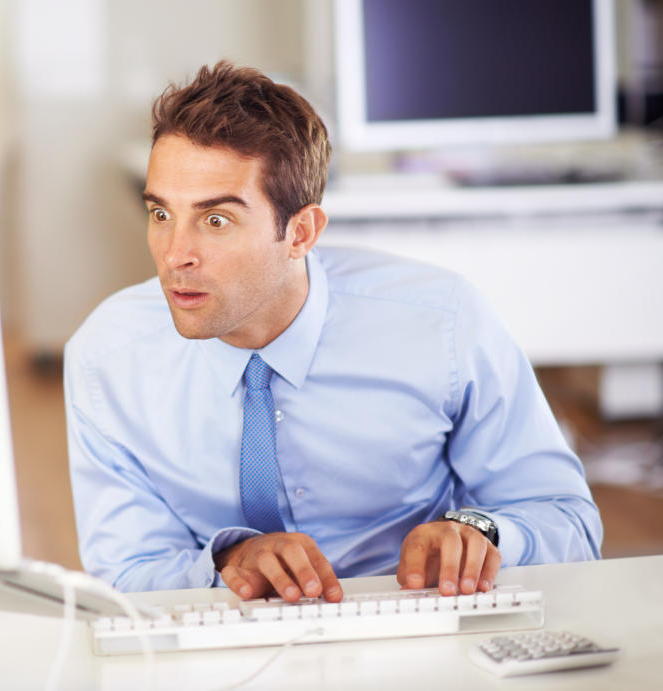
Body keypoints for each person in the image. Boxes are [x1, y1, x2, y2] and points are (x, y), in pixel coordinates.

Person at [63, 61, 602, 603]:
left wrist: (483, 533)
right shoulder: (106, 358)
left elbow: (569, 522)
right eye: (160, 214)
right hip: (224, 635)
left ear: (300, 232)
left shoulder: (443, 323)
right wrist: (228, 562)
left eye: (216, 220)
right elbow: (125, 573)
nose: (175, 254)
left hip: (415, 620)